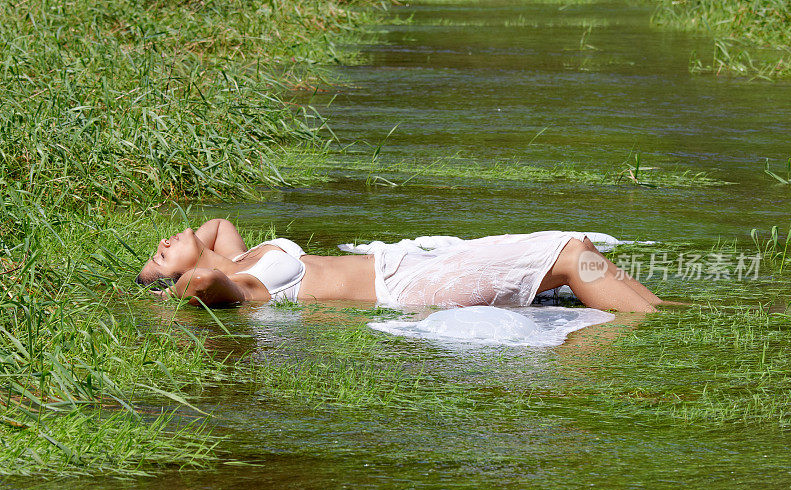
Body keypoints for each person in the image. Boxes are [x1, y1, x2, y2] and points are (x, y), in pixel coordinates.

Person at [135, 218, 663, 312]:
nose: (164, 240)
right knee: (569, 254)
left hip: (410, 263)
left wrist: (162, 266)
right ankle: (654, 323)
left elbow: (217, 228)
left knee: (577, 245)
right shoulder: (244, 280)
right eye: (160, 251)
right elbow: (206, 281)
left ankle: (663, 310)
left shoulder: (235, 254)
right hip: (409, 286)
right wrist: (169, 282)